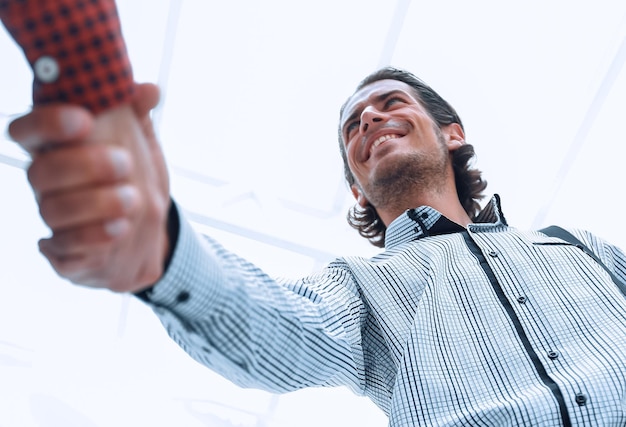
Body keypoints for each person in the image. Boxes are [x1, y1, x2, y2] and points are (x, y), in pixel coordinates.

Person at [6, 6, 626, 427]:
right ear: (357, 190)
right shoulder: (361, 288)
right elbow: (280, 324)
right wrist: (160, 254)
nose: (371, 121)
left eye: (390, 105)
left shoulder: (577, 247)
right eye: (354, 127)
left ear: (453, 134)